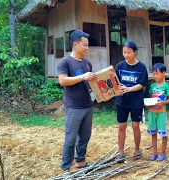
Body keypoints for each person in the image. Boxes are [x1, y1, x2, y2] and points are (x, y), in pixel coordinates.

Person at [57, 29, 97, 171]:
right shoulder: (65, 62)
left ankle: (80, 161)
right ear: (75, 44)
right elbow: (62, 81)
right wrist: (82, 77)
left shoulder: (87, 64)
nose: (87, 48)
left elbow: (90, 84)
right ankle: (66, 168)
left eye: (88, 45)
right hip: (73, 107)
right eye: (85, 45)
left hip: (87, 106)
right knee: (70, 139)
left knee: (85, 137)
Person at [115, 40, 148, 161]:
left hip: (136, 101)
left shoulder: (141, 67)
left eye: (129, 52)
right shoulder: (119, 66)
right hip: (122, 101)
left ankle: (137, 149)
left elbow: (141, 84)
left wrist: (129, 89)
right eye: (124, 52)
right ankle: (120, 152)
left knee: (135, 126)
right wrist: (116, 90)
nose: (126, 55)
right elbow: (115, 82)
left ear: (135, 52)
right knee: (121, 126)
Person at [146, 63, 169, 162]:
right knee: (153, 132)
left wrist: (162, 102)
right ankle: (155, 152)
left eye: (157, 74)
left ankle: (163, 153)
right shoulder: (152, 86)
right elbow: (151, 98)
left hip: (161, 112)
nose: (155, 76)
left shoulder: (166, 86)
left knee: (163, 133)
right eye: (153, 74)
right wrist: (148, 103)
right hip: (152, 112)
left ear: (163, 73)